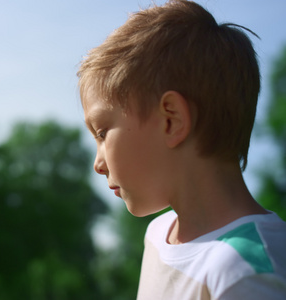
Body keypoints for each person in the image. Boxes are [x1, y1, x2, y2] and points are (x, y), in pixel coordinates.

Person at [77, 0, 286, 299]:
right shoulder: (158, 235)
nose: (98, 163)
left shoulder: (247, 273)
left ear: (171, 120)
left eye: (101, 132)